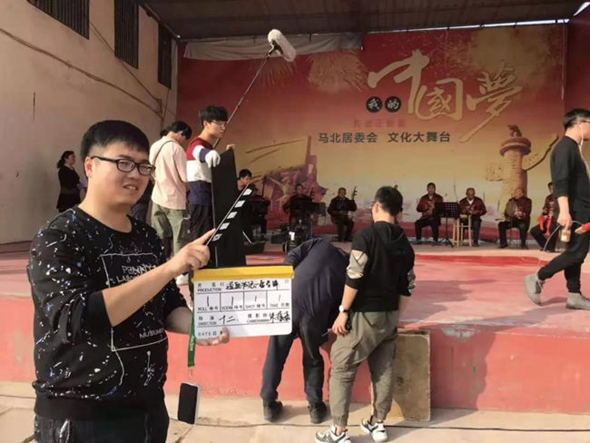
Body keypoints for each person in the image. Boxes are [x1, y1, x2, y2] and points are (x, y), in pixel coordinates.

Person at [29, 120, 229, 443]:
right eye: (123, 163)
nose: (136, 175)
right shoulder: (59, 237)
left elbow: (168, 304)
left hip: (148, 410)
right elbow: (79, 317)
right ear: (90, 166)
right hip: (82, 418)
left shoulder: (146, 237)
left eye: (143, 167)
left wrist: (198, 326)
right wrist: (169, 268)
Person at [315, 186, 415, 443]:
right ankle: (378, 424)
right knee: (383, 370)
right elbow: (407, 287)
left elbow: (354, 276)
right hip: (390, 315)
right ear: (399, 212)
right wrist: (396, 319)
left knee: (342, 368)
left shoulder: (366, 236)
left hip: (363, 317)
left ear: (377, 207)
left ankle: (338, 432)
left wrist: (343, 311)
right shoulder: (405, 244)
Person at [260, 238, 349, 424]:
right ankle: (315, 407)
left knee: (276, 355)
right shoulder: (346, 271)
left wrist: (287, 280)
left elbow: (292, 255)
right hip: (314, 314)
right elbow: (337, 311)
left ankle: (268, 404)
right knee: (312, 359)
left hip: (286, 302)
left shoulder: (319, 243)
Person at [525, 109, 590, 310]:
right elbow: (560, 181)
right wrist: (564, 210)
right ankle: (538, 277)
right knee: (577, 254)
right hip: (576, 210)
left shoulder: (573, 148)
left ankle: (574, 295)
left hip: (580, 208)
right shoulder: (565, 148)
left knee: (575, 253)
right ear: (580, 124)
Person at [150, 122, 192, 285]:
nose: (183, 141)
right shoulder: (176, 149)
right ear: (181, 133)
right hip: (175, 199)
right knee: (180, 236)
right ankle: (181, 273)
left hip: (157, 196)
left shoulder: (155, 146)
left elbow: (151, 170)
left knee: (160, 235)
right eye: (184, 138)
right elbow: (184, 177)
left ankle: (160, 268)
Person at [186, 105, 235, 242]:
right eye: (218, 123)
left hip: (209, 200)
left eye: (224, 124)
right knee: (201, 242)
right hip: (201, 201)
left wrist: (226, 154)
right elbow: (199, 152)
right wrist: (208, 154)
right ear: (206, 124)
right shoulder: (197, 144)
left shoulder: (208, 146)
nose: (223, 127)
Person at [529, 182, 557, 252]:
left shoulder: (561, 198)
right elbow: (545, 208)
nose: (552, 190)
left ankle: (551, 248)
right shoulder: (548, 198)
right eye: (550, 189)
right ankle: (546, 246)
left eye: (554, 188)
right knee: (534, 231)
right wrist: (544, 214)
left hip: (557, 220)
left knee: (552, 228)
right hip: (548, 220)